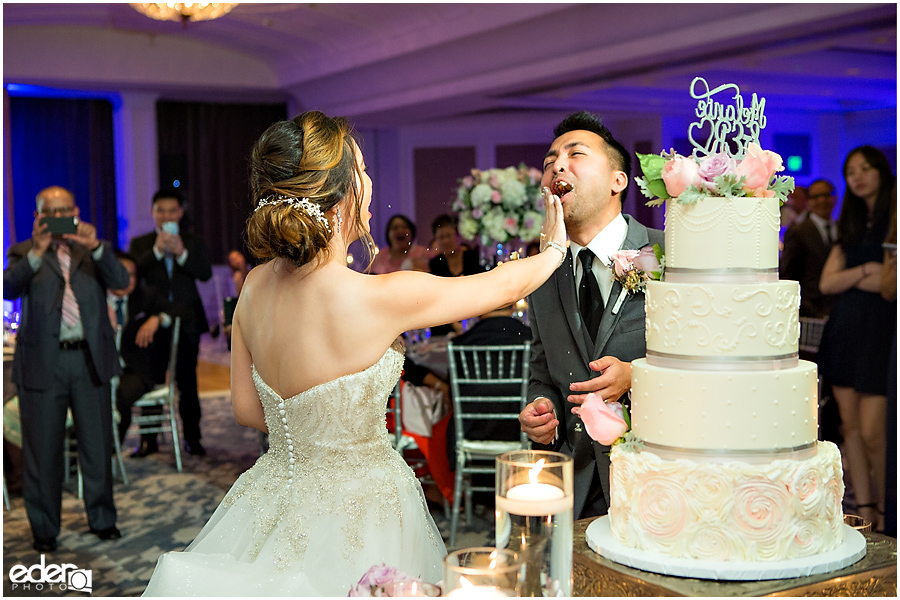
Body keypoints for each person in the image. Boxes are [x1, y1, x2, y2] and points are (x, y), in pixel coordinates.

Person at [141, 110, 567, 596]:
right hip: (364, 505)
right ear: (339, 196)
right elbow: (493, 287)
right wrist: (553, 251)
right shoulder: (377, 297)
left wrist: (306, 434)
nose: (368, 182)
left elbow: (244, 408)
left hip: (270, 493)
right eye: (362, 172)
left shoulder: (254, 285)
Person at [518, 111, 664, 520]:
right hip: (577, 485)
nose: (557, 167)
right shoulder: (542, 271)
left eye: (575, 155)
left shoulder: (667, 253)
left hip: (661, 476)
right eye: (549, 163)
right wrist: (539, 406)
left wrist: (639, 376)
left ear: (618, 181)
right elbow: (542, 370)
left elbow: (713, 355)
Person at [3, 185, 128, 552]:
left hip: (89, 361)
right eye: (50, 212)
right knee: (42, 450)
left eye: (65, 210)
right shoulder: (23, 251)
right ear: (37, 217)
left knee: (96, 444)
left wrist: (97, 247)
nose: (58, 218)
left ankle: (103, 518)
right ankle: (44, 528)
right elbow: (7, 288)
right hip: (43, 363)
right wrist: (38, 253)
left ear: (75, 210)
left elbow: (121, 283)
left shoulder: (91, 249)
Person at [818, 145, 896, 533]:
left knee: (873, 431)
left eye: (866, 169)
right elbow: (827, 282)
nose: (858, 176)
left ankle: (888, 510)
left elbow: (889, 288)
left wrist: (864, 277)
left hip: (881, 331)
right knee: (849, 429)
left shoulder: (894, 222)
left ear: (882, 171)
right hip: (844, 332)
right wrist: (866, 268)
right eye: (851, 171)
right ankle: (864, 511)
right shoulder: (848, 226)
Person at [129, 189, 213, 456]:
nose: (166, 215)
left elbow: (205, 273)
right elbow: (133, 274)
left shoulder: (192, 241)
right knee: (151, 379)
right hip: (151, 323)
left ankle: (193, 438)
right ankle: (148, 441)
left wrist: (182, 253)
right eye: (160, 210)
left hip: (186, 322)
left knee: (188, 383)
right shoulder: (140, 244)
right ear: (153, 212)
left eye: (171, 210)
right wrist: (156, 251)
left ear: (179, 213)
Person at [445, 304, 532, 472]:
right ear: (513, 305)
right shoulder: (532, 338)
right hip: (522, 428)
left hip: (472, 429)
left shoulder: (461, 342)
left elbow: (452, 397)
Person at [108, 252, 176, 455]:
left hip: (134, 371)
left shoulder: (145, 297)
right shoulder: (94, 299)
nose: (127, 279)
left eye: (132, 274)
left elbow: (179, 312)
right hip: (100, 370)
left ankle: (109, 451)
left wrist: (157, 318)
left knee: (120, 396)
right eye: (121, 273)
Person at [780, 178, 838, 318]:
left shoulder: (844, 229)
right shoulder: (798, 232)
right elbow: (788, 274)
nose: (822, 201)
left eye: (826, 195)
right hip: (810, 311)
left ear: (834, 198)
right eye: (816, 197)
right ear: (808, 201)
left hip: (839, 308)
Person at [428, 213, 486, 336]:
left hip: (479, 315)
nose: (445, 241)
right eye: (440, 237)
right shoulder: (436, 264)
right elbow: (438, 299)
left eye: (449, 236)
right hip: (447, 321)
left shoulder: (474, 258)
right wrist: (455, 324)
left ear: (458, 237)